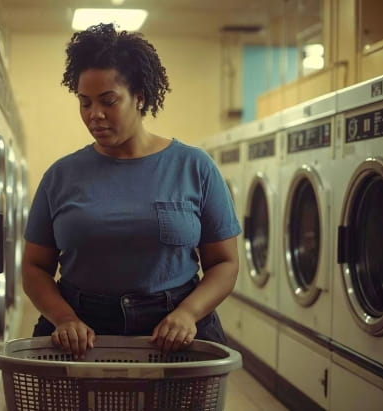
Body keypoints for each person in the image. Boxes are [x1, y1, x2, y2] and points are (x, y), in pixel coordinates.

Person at [21, 23, 240, 360]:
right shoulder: (60, 176)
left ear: (139, 97)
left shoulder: (194, 166)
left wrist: (188, 313)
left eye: (108, 101)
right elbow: (35, 267)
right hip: (82, 333)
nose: (94, 115)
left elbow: (224, 263)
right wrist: (64, 318)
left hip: (173, 330)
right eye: (84, 103)